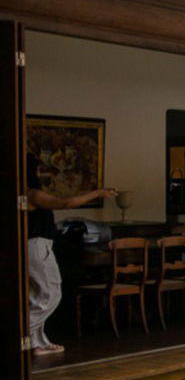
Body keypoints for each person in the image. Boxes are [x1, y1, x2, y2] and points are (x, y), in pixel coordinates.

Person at [26, 148, 117, 357]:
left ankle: (36, 342)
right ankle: (21, 334)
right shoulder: (32, 193)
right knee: (51, 293)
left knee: (37, 295)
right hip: (37, 245)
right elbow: (65, 203)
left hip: (34, 245)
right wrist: (98, 192)